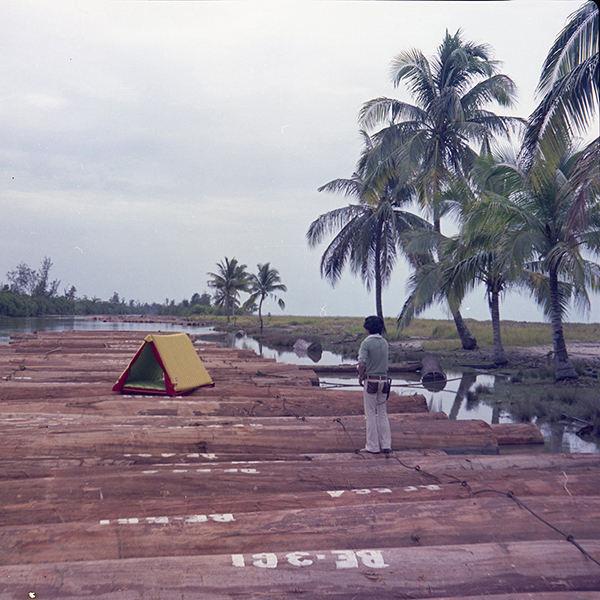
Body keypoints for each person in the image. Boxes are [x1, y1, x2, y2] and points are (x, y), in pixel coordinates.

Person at [357, 315, 392, 454]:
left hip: (370, 381)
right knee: (383, 413)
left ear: (368, 329)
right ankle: (386, 445)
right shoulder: (384, 342)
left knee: (370, 414)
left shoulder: (366, 343)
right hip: (384, 381)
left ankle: (372, 446)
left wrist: (360, 377)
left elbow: (361, 363)